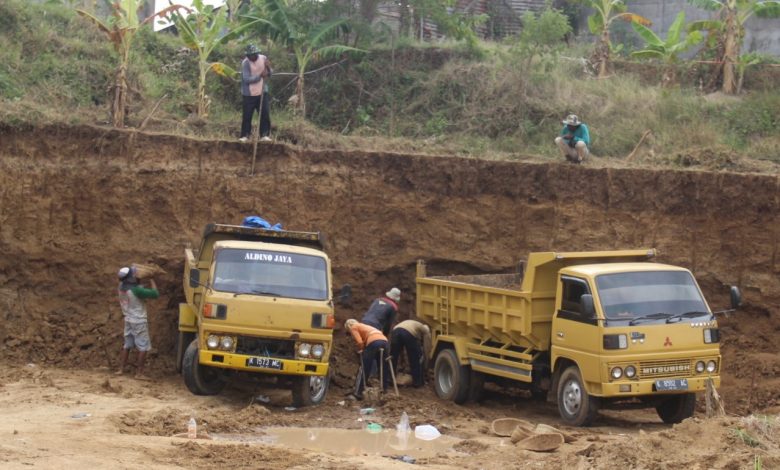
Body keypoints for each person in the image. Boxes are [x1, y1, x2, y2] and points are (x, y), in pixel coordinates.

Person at [116, 266, 159, 380]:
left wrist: (138, 282)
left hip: (128, 319)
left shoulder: (121, 287)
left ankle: (121, 369)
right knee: (143, 346)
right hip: (139, 321)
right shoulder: (137, 290)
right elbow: (155, 294)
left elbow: (135, 287)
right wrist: (152, 279)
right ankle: (139, 373)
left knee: (127, 345)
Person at [345, 319, 390, 399]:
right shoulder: (366, 326)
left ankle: (358, 393)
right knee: (383, 367)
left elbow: (359, 342)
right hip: (384, 341)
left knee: (364, 367)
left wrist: (362, 349)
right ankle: (385, 391)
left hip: (373, 342)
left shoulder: (354, 327)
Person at [239, 44, 272, 143]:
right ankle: (245, 136)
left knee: (264, 114)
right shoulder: (245, 63)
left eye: (251, 55)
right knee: (247, 115)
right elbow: (246, 79)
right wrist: (260, 76)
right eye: (248, 56)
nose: (249, 57)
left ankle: (264, 135)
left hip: (262, 91)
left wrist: (269, 68)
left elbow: (270, 74)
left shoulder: (263, 58)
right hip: (249, 94)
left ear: (256, 54)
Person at [390, 319, 431, 388]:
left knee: (393, 357)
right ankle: (417, 382)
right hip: (408, 333)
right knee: (414, 358)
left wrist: (402, 361)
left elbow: (401, 350)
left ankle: (390, 379)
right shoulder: (425, 329)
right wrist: (426, 359)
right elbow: (427, 347)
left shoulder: (412, 324)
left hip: (395, 331)